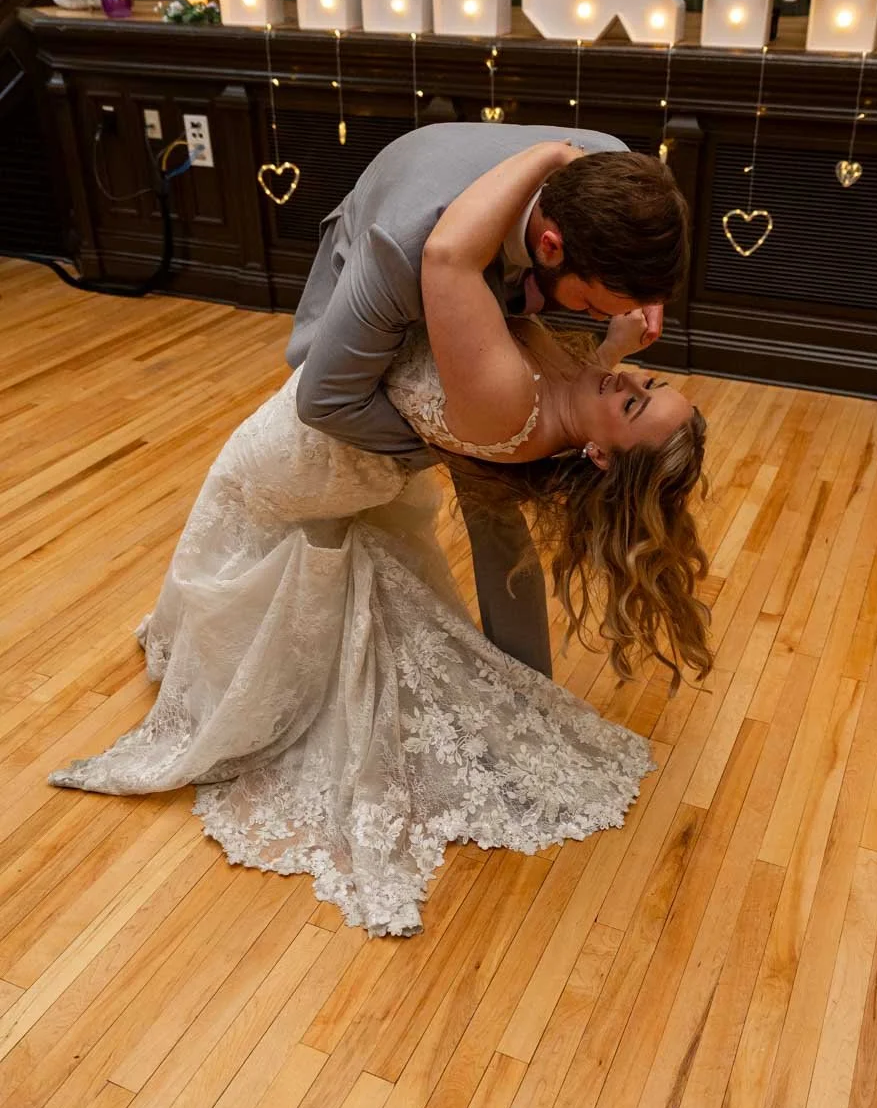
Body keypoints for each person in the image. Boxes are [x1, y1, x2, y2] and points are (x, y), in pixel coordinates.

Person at [50, 140, 710, 937]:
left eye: (640, 399)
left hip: (363, 429)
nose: (631, 359)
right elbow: (340, 387)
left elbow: (465, 270)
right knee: (326, 528)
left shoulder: (524, 369)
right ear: (552, 243)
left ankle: (303, 672)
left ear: (600, 455)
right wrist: (479, 421)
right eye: (651, 381)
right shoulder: (461, 278)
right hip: (331, 410)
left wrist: (553, 162)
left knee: (303, 531)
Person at [287, 120, 690, 677]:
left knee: (491, 510)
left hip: (485, 371)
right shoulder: (403, 250)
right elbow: (326, 400)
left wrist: (474, 441)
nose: (600, 321)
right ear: (552, 246)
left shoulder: (609, 174)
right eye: (596, 306)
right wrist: (461, 446)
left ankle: (525, 681)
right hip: (379, 298)